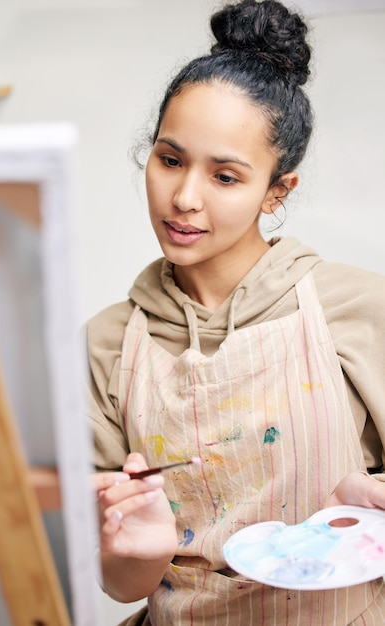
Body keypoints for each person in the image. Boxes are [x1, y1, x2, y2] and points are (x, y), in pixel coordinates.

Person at [86, 0, 385, 623]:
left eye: (225, 176)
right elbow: (120, 583)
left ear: (278, 189)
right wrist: (141, 550)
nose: (185, 198)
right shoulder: (107, 344)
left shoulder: (354, 308)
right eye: (170, 160)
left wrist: (367, 513)